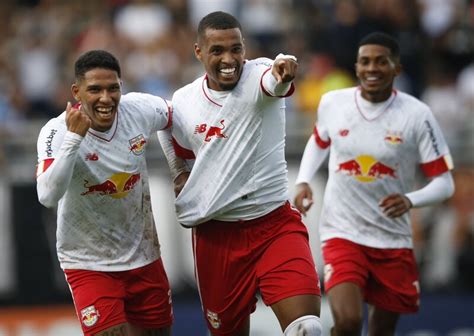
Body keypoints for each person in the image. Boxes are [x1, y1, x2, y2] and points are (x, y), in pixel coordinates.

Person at [167, 11, 322, 336]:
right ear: (198, 51)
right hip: (216, 236)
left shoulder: (260, 75)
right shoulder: (184, 101)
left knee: (307, 328)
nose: (229, 59)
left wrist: (284, 71)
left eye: (236, 49)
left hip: (274, 226)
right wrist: (178, 171)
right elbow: (168, 133)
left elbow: (275, 81)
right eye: (217, 50)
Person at [294, 32, 455, 335]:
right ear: (356, 67)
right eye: (365, 61)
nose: (372, 68)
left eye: (382, 62)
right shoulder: (334, 103)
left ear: (397, 68)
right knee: (349, 321)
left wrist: (410, 200)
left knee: (381, 331)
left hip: (392, 239)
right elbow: (319, 141)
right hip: (342, 231)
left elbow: (444, 183)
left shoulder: (417, 115)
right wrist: (303, 180)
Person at [36, 50, 187, 336]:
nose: (105, 98)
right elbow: (47, 196)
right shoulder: (56, 131)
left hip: (144, 256)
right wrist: (74, 139)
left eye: (112, 88)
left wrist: (178, 167)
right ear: (76, 91)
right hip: (88, 262)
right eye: (95, 90)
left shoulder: (139, 109)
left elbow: (174, 119)